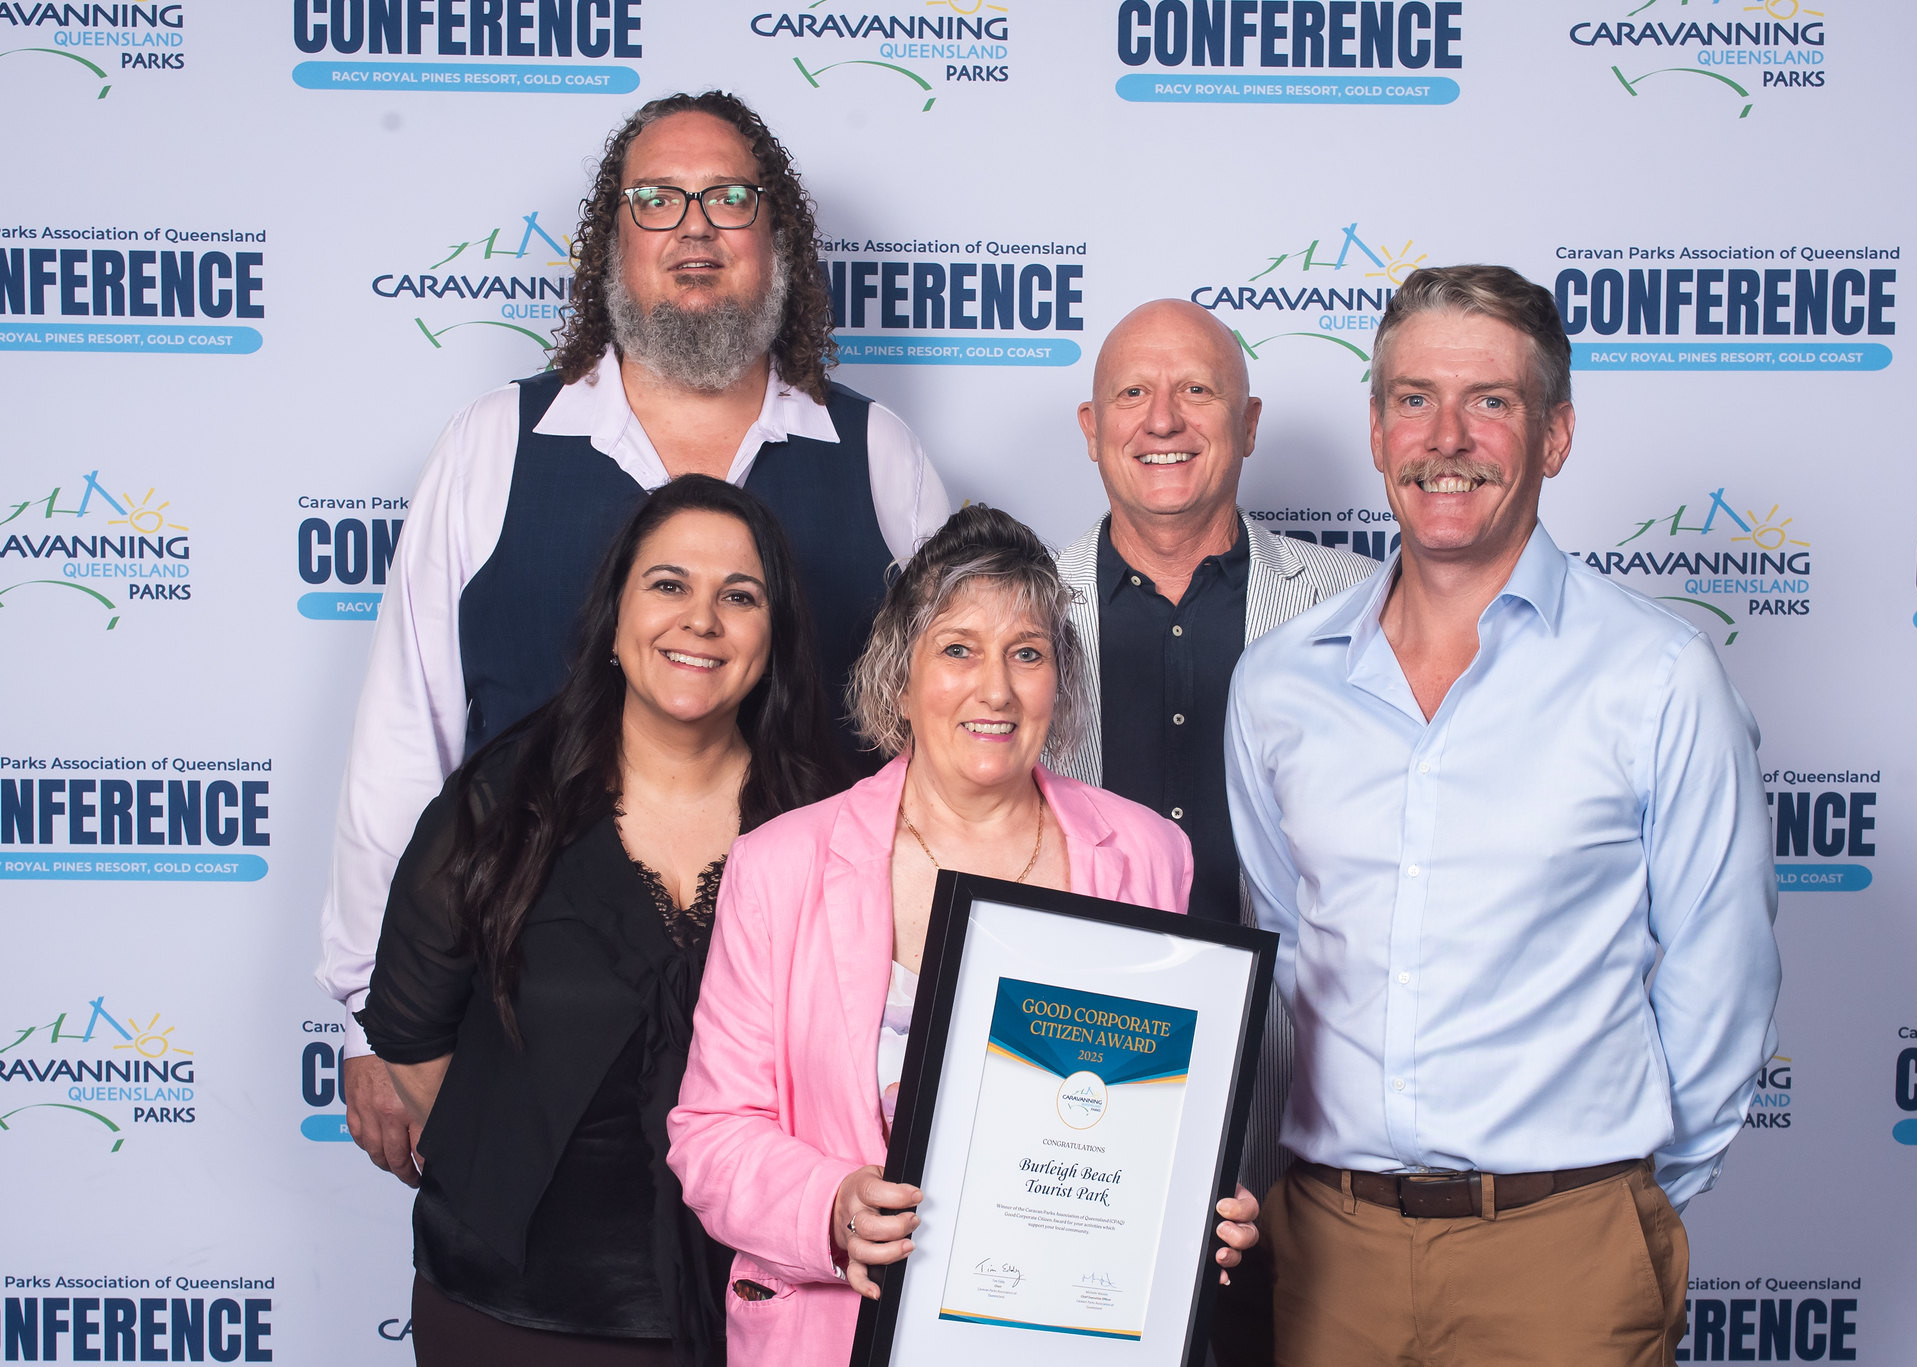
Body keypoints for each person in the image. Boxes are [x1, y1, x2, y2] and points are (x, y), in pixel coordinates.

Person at [322, 89, 950, 1189]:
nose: (693, 228)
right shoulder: (495, 446)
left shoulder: (878, 455)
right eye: (656, 199)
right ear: (613, 237)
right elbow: (404, 736)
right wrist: (374, 1012)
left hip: (810, 1045)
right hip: (528, 1020)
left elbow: (947, 755)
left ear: (776, 236)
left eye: (729, 198)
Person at [1224, 264, 1781, 1366]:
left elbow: (1723, 977)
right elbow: (1286, 952)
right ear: (1376, 431)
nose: (1446, 436)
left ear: (1555, 434)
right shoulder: (1279, 684)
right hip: (1331, 1257)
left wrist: (1615, 1207)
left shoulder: (1655, 676)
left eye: (1489, 400)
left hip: (1562, 1255)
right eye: (1413, 398)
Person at [667, 506, 1261, 1367]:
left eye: (1028, 653)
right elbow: (712, 1130)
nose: (997, 689)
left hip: (1072, 1339)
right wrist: (831, 1204)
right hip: (841, 1337)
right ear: (899, 677)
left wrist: (1202, 1197)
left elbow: (1147, 1108)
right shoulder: (781, 865)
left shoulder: (1145, 853)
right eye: (958, 649)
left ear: (1060, 680)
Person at [358, 476, 844, 1366]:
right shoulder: (499, 805)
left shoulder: (833, 826)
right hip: (511, 1313)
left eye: (740, 596)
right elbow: (411, 1034)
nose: (701, 619)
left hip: (760, 1316)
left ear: (773, 637)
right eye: (669, 584)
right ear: (614, 617)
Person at [1055, 299, 1376, 1364]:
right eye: (1131, 393)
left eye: (1195, 390)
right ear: (1089, 426)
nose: (1162, 419)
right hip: (1076, 1099)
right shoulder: (1014, 619)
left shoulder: (1358, 610)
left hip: (1307, 1103)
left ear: (1247, 422)